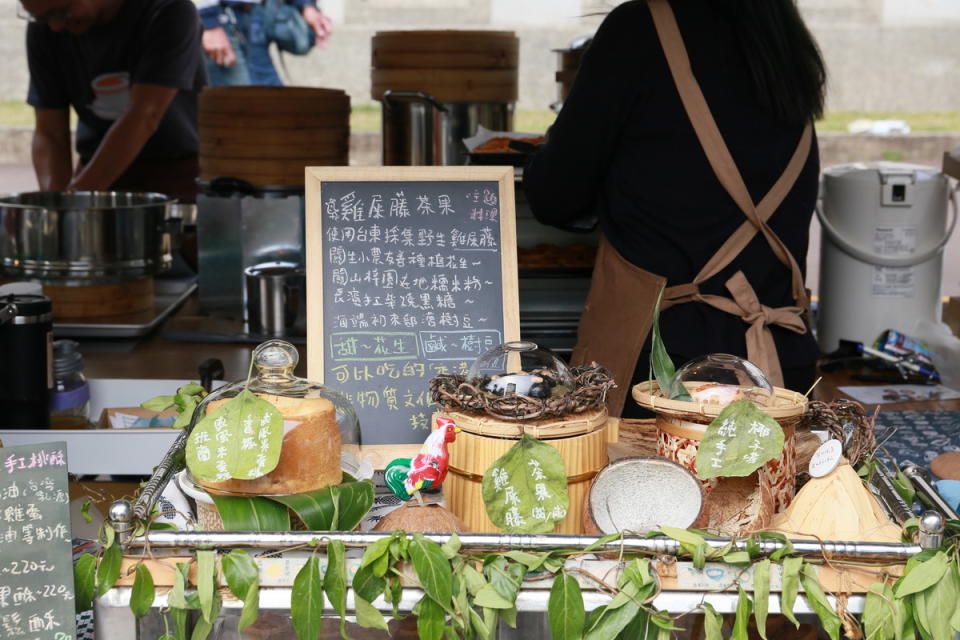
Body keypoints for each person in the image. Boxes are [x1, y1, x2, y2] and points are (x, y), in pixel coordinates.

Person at [523, 0, 827, 416]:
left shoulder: (639, 30)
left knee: (647, 483)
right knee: (771, 484)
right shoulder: (782, 35)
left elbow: (555, 196)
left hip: (665, 376)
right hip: (780, 369)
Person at [23, 0, 205, 203]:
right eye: (42, 17)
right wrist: (54, 204)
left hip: (176, 176)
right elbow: (50, 133)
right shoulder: (46, 27)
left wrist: (75, 199)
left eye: (62, 12)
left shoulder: (168, 9)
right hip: (95, 171)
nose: (54, 26)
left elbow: (144, 116)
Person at [198, 0, 333, 86]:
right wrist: (207, 20)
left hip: (256, 13)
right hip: (220, 16)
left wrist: (305, 5)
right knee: (240, 110)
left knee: (271, 107)